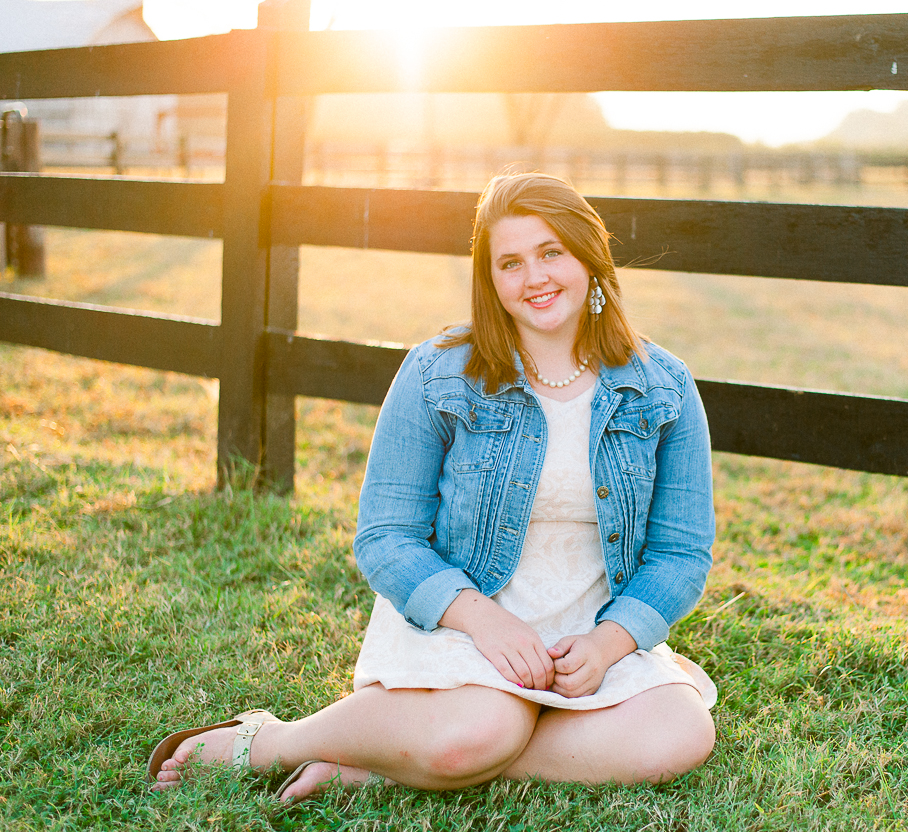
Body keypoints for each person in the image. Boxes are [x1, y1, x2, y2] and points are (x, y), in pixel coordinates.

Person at [148, 172, 717, 801]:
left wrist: (608, 645)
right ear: (490, 279)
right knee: (476, 731)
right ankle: (274, 741)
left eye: (551, 252)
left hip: (587, 631)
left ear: (589, 256)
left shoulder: (663, 384)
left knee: (680, 733)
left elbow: (681, 554)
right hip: (463, 617)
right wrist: (486, 623)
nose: (535, 278)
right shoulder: (437, 371)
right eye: (511, 262)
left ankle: (379, 760)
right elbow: (386, 538)